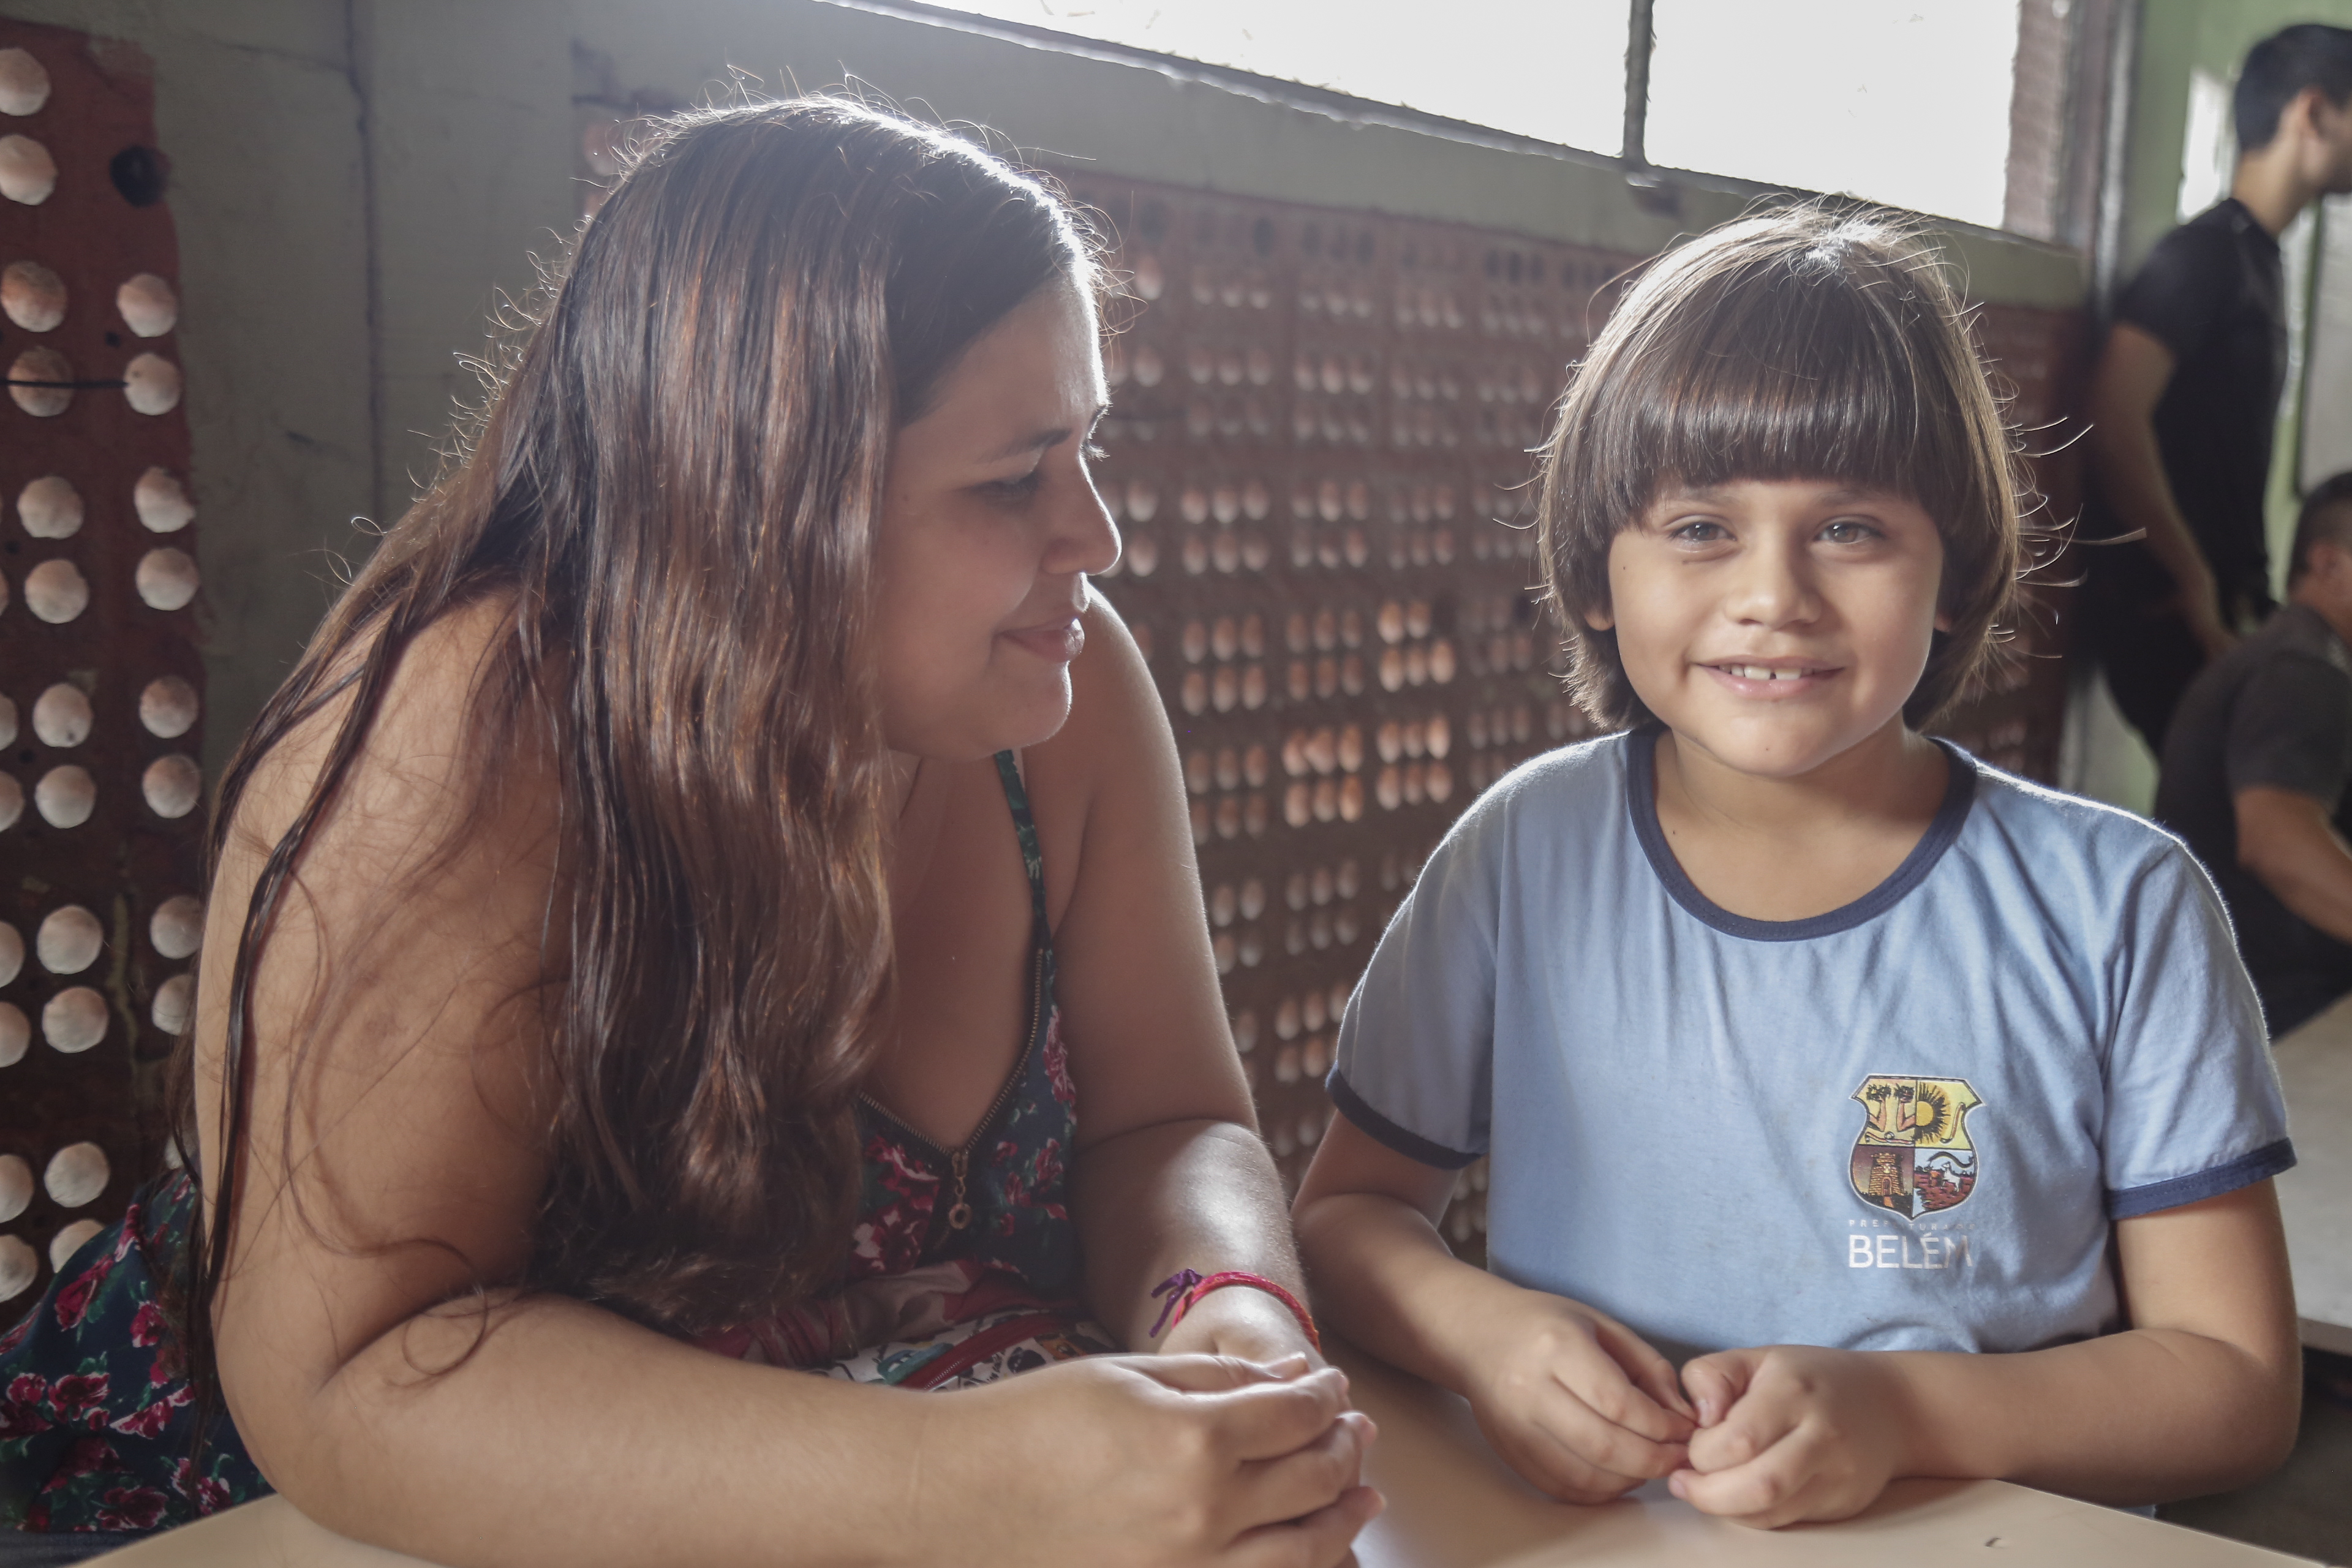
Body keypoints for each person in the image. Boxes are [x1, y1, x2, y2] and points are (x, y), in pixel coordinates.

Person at [0, 100, 1381, 1566]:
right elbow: (352, 1376)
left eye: (1087, 448)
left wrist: (1227, 1313)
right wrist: (971, 1483)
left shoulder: (1062, 689)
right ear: (758, 494)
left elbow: (1166, 1125)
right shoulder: (465, 735)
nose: (1094, 537)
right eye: (1009, 480)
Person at [1292, 203, 2303, 1530]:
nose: (1773, 594)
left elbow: (2236, 1381)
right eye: (1699, 527)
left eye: (1852, 530)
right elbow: (1346, 1217)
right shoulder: (1522, 856)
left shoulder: (2117, 905)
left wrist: (1905, 1413)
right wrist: (1483, 1333)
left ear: (1954, 573)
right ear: (1597, 571)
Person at [2079, 23, 2352, 752]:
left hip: (2227, 608)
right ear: (2314, 112)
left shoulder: (2259, 259)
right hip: (2173, 616)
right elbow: (2114, 416)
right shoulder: (2202, 256)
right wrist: (2194, 578)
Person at [2158, 473, 2352, 1037]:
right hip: (2275, 1014)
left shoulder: (2297, 656)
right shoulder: (2303, 671)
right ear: (2330, 564)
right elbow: (2277, 843)